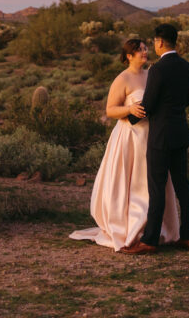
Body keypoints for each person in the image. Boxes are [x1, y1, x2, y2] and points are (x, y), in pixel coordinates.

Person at [69, 38, 179, 251]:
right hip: (129, 137)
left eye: (146, 49)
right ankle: (130, 227)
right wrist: (129, 110)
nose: (145, 53)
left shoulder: (151, 75)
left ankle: (153, 229)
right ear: (129, 56)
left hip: (152, 135)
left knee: (152, 182)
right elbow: (110, 110)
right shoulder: (123, 79)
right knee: (132, 182)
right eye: (139, 51)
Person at [121, 23, 189, 255]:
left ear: (160, 42)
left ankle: (150, 240)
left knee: (156, 187)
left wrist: (128, 119)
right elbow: (188, 99)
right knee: (183, 185)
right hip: (180, 133)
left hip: (160, 137)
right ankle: (188, 236)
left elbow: (149, 103)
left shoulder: (157, 69)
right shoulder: (187, 67)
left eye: (154, 42)